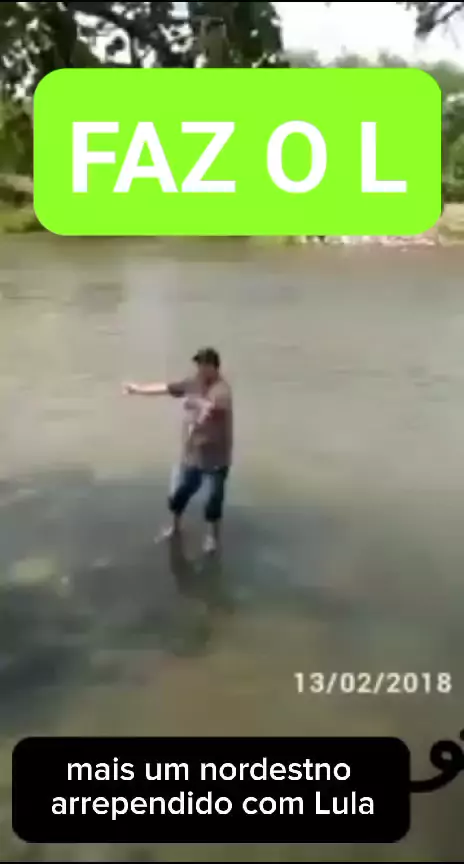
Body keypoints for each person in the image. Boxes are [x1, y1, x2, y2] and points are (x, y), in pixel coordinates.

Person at [123, 348, 232, 553]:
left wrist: (195, 403)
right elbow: (165, 388)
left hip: (218, 456)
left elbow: (211, 407)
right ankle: (175, 527)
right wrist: (137, 389)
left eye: (204, 365)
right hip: (195, 454)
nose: (200, 368)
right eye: (198, 364)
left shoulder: (222, 389)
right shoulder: (192, 383)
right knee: (182, 492)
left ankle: (212, 537)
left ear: (214, 367)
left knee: (214, 498)